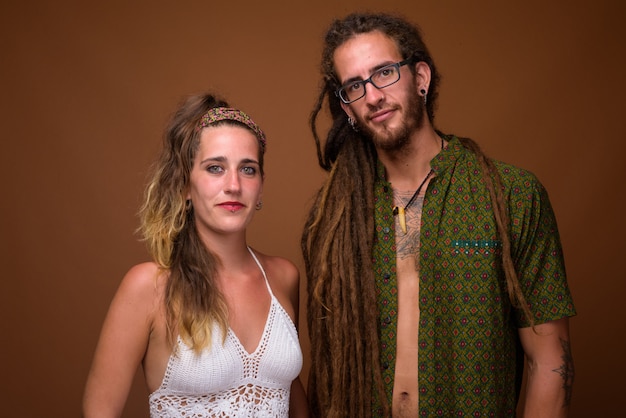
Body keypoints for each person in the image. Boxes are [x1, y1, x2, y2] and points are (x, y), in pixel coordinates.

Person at [301, 12, 576, 418]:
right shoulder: (334, 216)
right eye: (354, 86)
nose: (373, 96)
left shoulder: (510, 195)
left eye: (385, 73)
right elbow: (325, 368)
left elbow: (549, 361)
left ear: (421, 77)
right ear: (347, 108)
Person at [83, 93, 309, 417]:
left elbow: (291, 395)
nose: (233, 185)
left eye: (248, 169)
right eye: (215, 168)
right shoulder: (149, 287)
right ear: (186, 187)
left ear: (261, 187)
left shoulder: (283, 278)